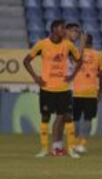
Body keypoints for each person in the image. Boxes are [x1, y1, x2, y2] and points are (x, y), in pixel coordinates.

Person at [23, 19, 83, 158]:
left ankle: (72, 149)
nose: (65, 31)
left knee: (68, 117)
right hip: (47, 88)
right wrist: (35, 78)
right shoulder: (42, 44)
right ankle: (44, 149)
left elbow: (79, 60)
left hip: (64, 89)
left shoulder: (68, 45)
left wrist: (72, 75)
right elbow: (26, 61)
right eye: (63, 28)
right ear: (55, 29)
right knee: (45, 117)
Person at [70, 34, 102, 153]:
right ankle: (82, 144)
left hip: (77, 91)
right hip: (91, 92)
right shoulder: (98, 55)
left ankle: (74, 144)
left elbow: (71, 61)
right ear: (92, 41)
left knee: (75, 118)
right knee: (88, 118)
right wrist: (100, 90)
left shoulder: (76, 53)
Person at [51, 22, 82, 156]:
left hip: (67, 85)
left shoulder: (70, 46)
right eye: (74, 31)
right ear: (67, 31)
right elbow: (77, 58)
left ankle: (58, 146)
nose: (76, 34)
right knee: (61, 116)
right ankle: (57, 147)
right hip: (60, 85)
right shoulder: (64, 45)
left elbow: (77, 60)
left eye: (78, 32)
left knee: (64, 116)